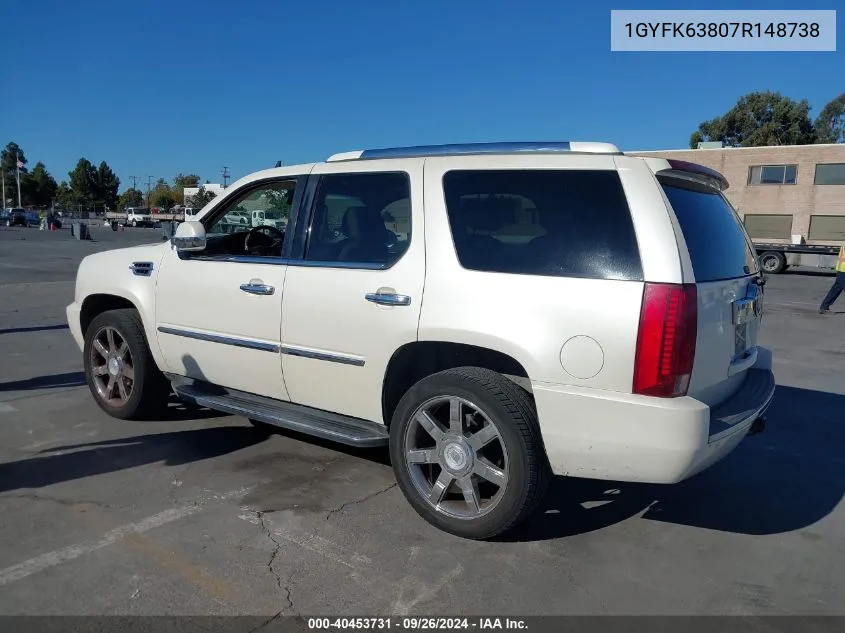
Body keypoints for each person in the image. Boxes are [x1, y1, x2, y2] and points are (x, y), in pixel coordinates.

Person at [819, 240, 845, 314]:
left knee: (835, 290)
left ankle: (824, 307)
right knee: (835, 289)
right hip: (843, 271)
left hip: (842, 271)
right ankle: (824, 307)